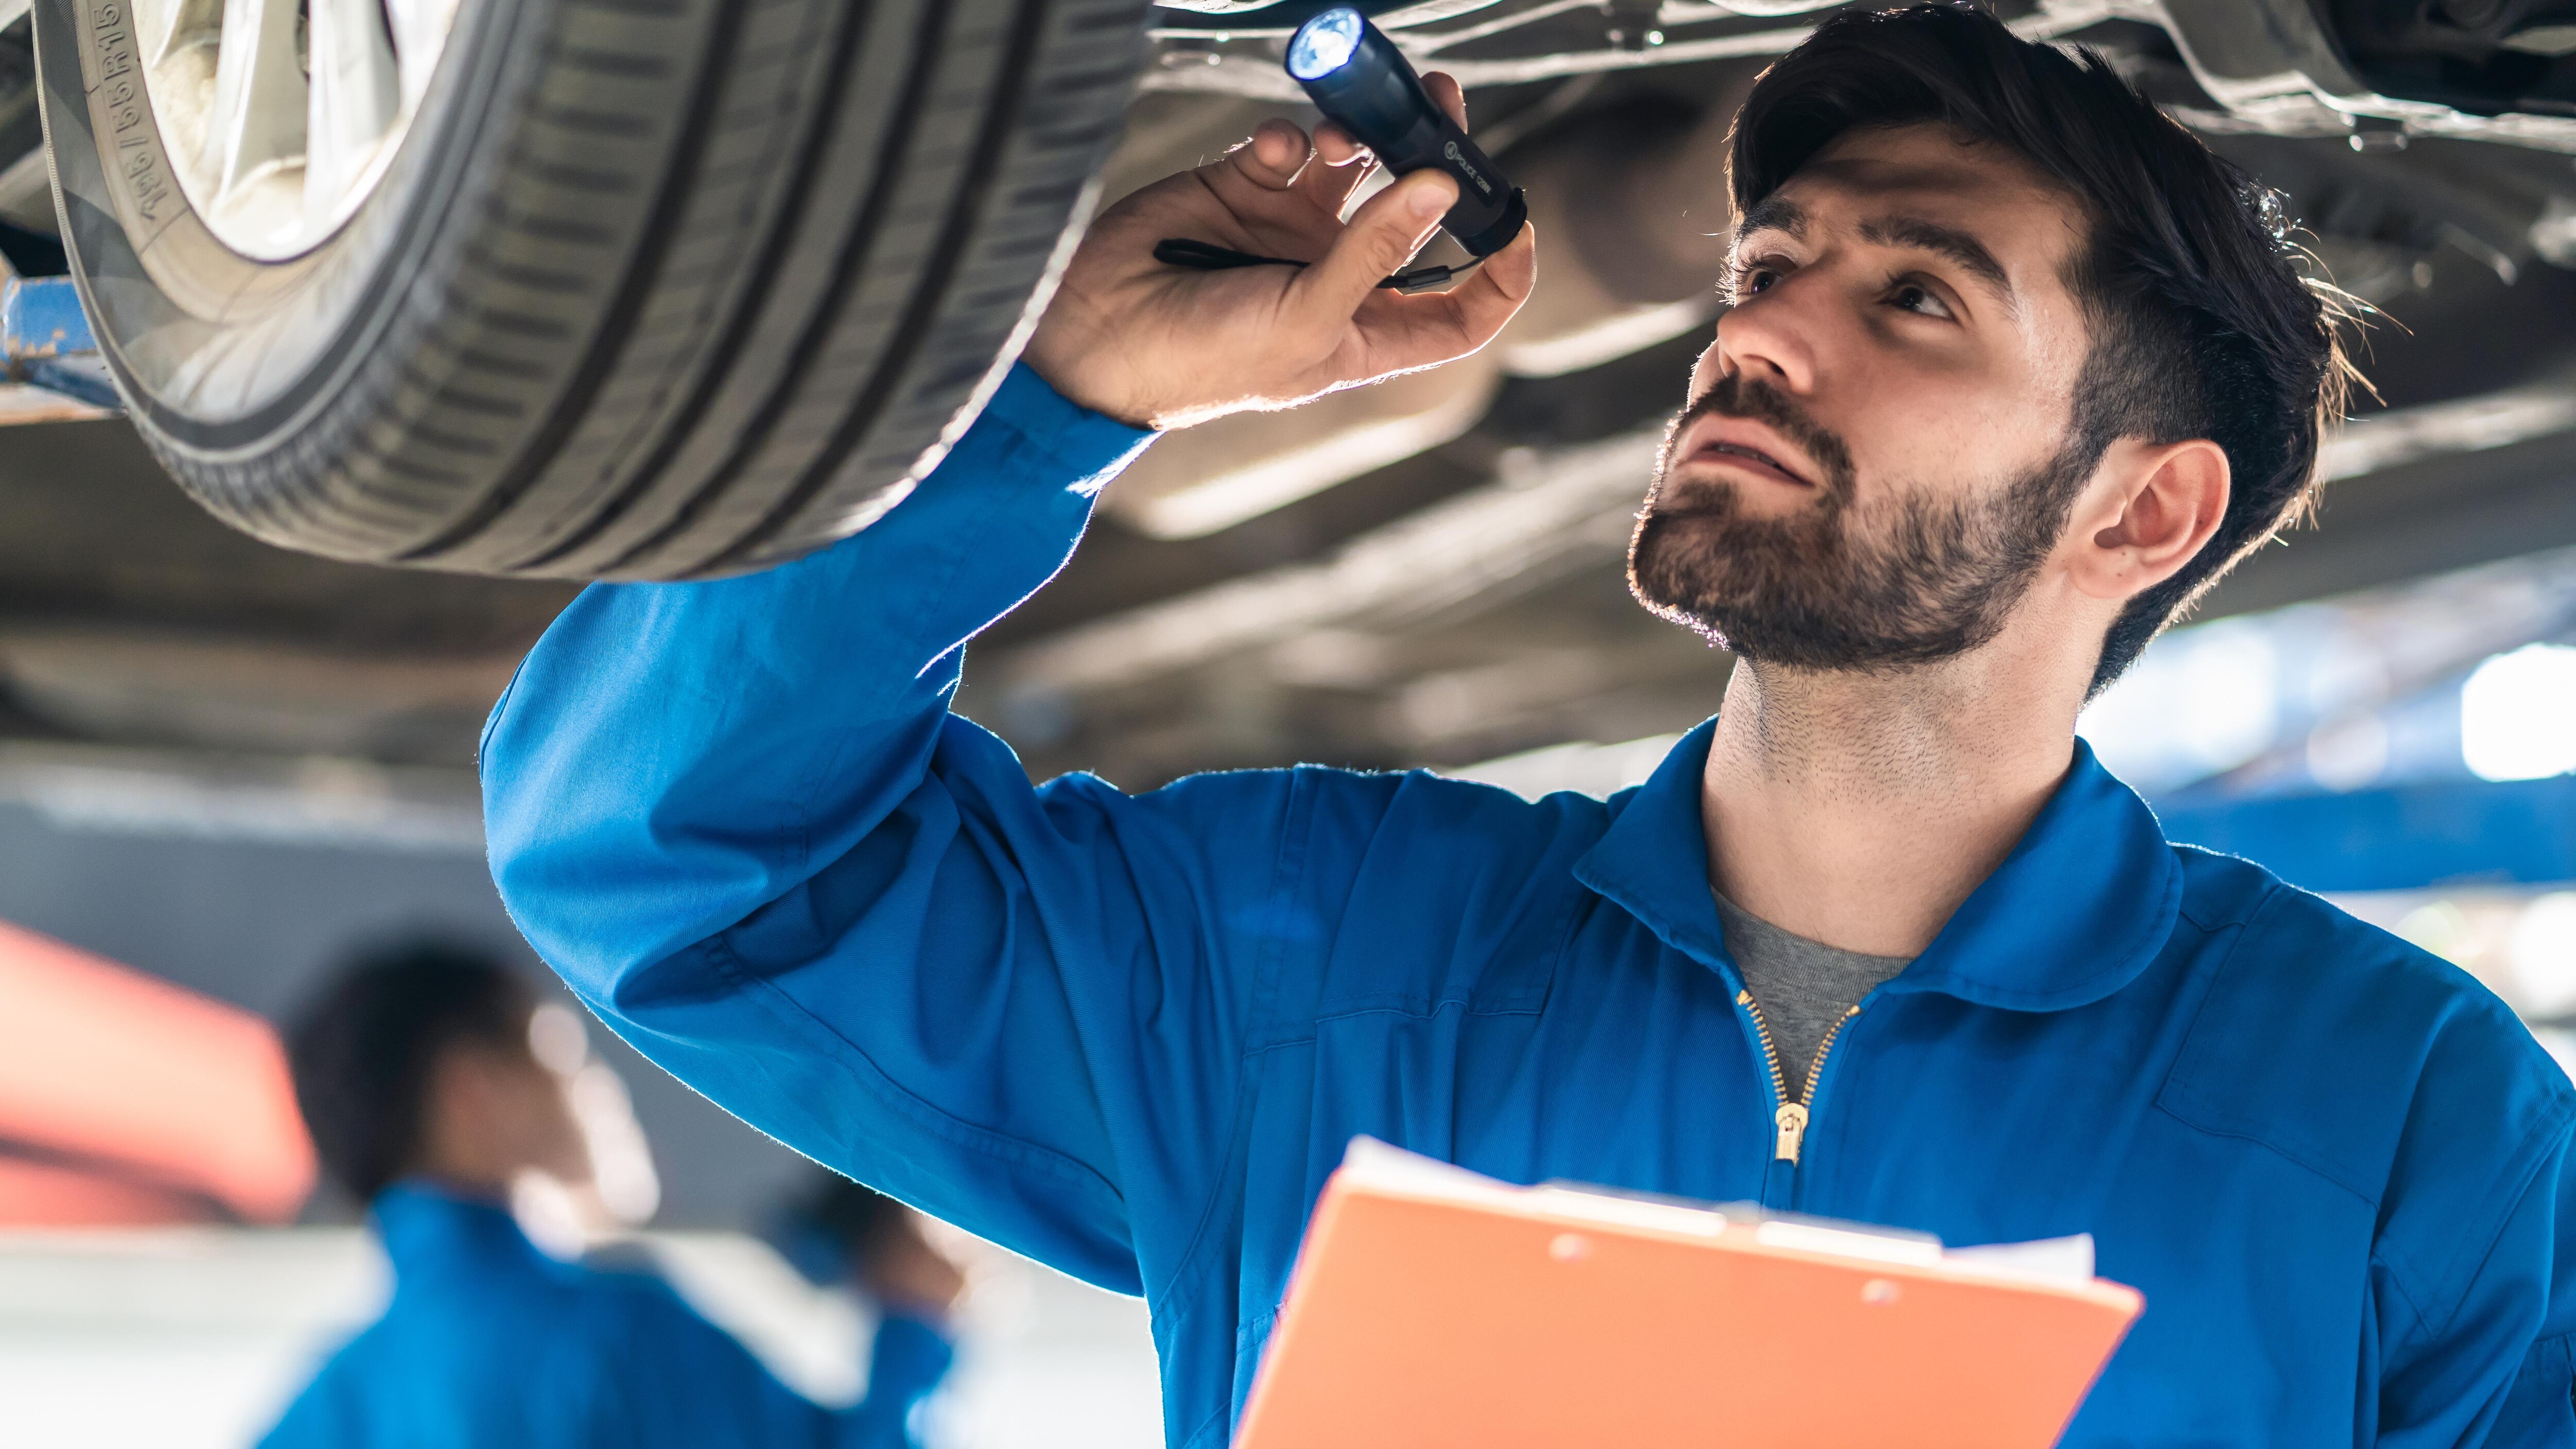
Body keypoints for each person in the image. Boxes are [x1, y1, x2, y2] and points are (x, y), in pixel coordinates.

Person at [480, 6, 2576, 1443]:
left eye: (1911, 296)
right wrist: (1046, 392)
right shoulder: (1310, 951)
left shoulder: (2399, 1119)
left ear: (2142, 503)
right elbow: (676, 856)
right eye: (1767, 263)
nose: (1760, 326)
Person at [262, 942, 964, 1448]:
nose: (601, 1087)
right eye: (561, 1051)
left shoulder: (317, 1412)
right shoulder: (615, 1337)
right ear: (471, 1090)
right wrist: (915, 1329)